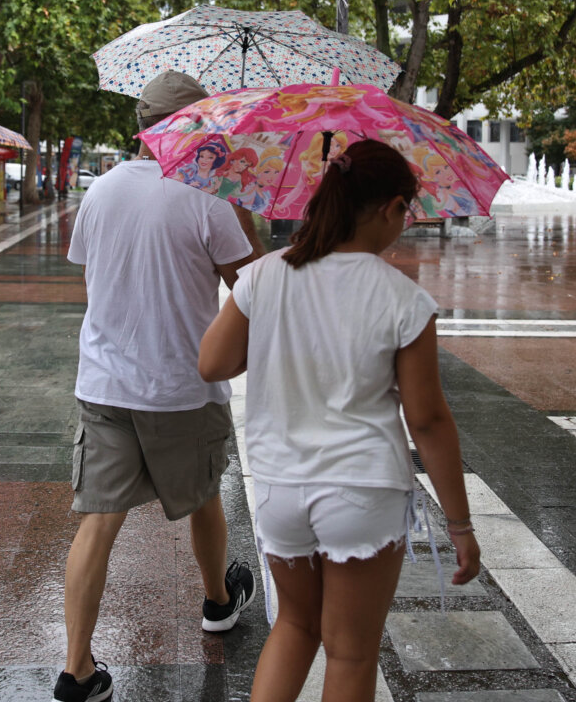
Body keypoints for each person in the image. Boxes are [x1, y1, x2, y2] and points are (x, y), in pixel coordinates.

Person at [198, 139, 481, 702]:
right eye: (407, 211)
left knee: (295, 628)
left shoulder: (265, 276)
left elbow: (214, 362)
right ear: (388, 208)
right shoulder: (403, 299)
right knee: (350, 653)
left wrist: (281, 329)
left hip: (281, 489)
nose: (404, 223)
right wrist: (460, 527)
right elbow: (426, 420)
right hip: (362, 491)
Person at [58, 70, 263, 702]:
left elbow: (96, 281)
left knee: (98, 520)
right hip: (182, 386)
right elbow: (252, 290)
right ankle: (216, 600)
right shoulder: (208, 197)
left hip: (105, 384)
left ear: (143, 129)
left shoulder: (102, 189)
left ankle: (77, 670)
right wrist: (244, 210)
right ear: (192, 126)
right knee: (202, 493)